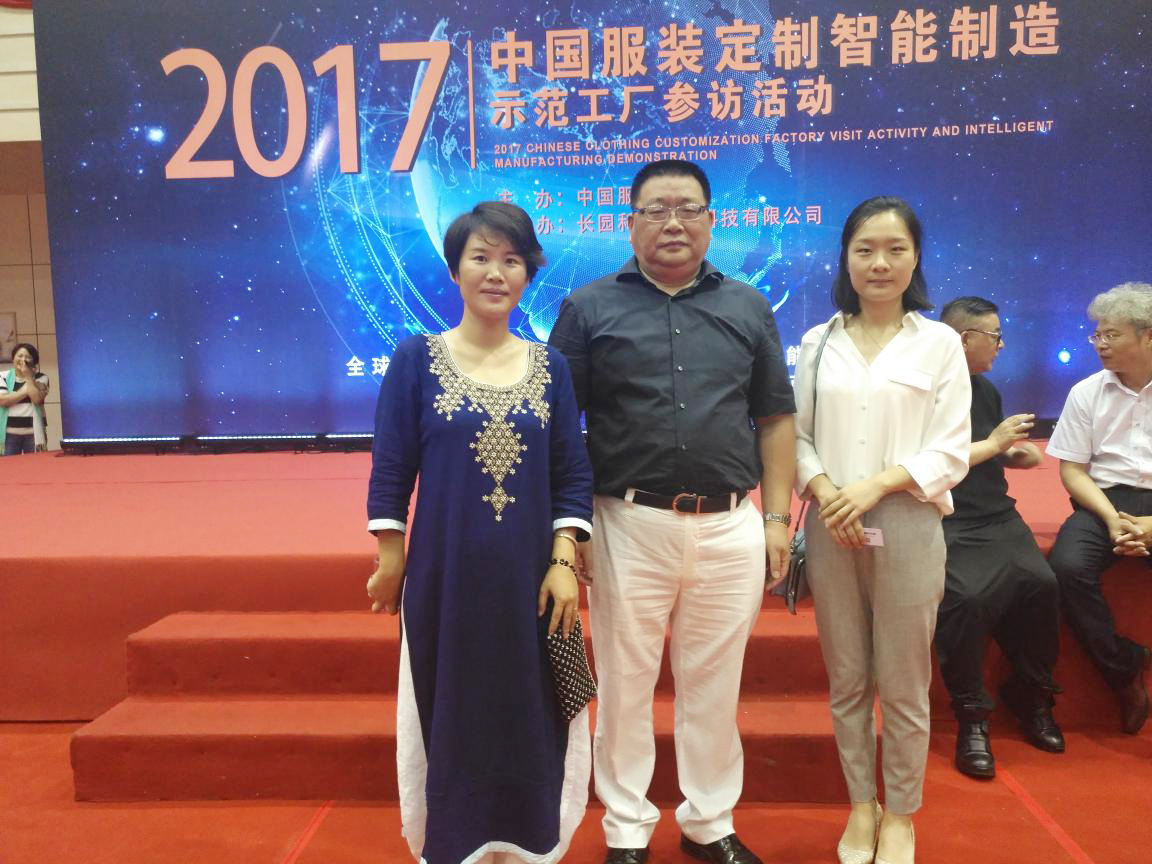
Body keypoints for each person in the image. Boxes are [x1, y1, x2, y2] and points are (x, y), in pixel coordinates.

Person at [549, 159, 796, 864]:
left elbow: (776, 418)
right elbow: (560, 427)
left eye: (688, 208)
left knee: (714, 686)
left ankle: (709, 823)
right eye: (655, 209)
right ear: (629, 223)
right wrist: (571, 528)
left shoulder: (747, 307)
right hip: (627, 523)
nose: (673, 222)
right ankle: (626, 830)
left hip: (730, 524)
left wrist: (777, 519)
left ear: (712, 221)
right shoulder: (589, 308)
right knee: (624, 685)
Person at [365, 201, 594, 864]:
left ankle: (529, 842)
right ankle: (456, 842)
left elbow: (572, 472)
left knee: (530, 711)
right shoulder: (417, 360)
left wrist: (564, 561)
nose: (496, 273)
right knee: (452, 710)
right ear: (455, 270)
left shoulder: (551, 368)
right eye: (481, 258)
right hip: (445, 582)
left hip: (533, 585)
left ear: (528, 274)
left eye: (512, 260)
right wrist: (391, 558)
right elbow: (392, 466)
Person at [794, 197, 970, 864]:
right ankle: (860, 806)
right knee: (847, 680)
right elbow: (797, 437)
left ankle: (900, 813)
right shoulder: (819, 342)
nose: (880, 263)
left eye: (896, 249)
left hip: (908, 518)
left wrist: (874, 486)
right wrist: (825, 491)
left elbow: (950, 449)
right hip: (832, 521)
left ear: (916, 258)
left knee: (902, 681)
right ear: (845, 257)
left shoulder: (939, 342)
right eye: (865, 249)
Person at [937, 296, 1063, 779]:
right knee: (966, 600)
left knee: (1042, 586)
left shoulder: (984, 389)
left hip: (996, 515)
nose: (1001, 345)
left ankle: (1031, 696)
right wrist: (993, 445)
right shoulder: (924, 390)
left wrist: (1010, 455)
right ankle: (972, 716)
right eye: (995, 336)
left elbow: (985, 449)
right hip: (947, 517)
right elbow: (933, 460)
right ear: (965, 339)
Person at [1046, 281, 1152, 736]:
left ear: (1148, 336)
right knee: (1065, 569)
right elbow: (1072, 470)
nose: (1099, 344)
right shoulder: (1086, 392)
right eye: (1097, 334)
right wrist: (1112, 520)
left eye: (1112, 334)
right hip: (1103, 501)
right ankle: (1122, 670)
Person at [0, 343, 50, 455]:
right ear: (13, 358)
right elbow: (3, 401)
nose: (23, 360)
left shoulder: (42, 377)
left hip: (34, 434)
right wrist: (31, 387)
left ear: (34, 361)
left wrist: (27, 376)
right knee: (9, 465)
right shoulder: (2, 376)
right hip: (8, 434)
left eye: (28, 357)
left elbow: (36, 399)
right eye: (20, 356)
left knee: (36, 465)